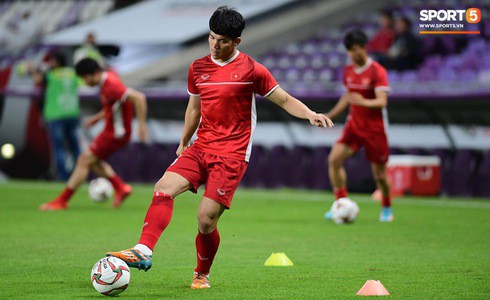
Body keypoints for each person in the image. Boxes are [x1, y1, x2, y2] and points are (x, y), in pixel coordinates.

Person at [106, 6, 333, 290]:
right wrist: (183, 141)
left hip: (232, 154)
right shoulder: (197, 67)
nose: (215, 44)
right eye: (212, 37)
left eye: (222, 40)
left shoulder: (252, 70)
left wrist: (310, 113)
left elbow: (285, 100)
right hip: (201, 146)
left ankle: (201, 274)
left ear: (237, 41)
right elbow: (194, 108)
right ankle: (143, 250)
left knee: (205, 220)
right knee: (163, 187)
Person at [39, 58, 149, 211]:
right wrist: (97, 118)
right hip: (112, 131)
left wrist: (142, 126)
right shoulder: (108, 78)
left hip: (116, 134)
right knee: (91, 161)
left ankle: (62, 201)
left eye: (85, 78)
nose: (84, 82)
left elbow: (139, 98)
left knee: (84, 160)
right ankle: (121, 188)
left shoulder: (111, 85)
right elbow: (114, 104)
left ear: (95, 74)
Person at [323, 29, 393, 222]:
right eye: (349, 51)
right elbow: (348, 96)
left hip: (375, 129)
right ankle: (340, 204)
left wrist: (363, 102)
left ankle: (386, 205)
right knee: (334, 160)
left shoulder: (377, 71)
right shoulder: (348, 71)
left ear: (364, 47)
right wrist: (330, 115)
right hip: (354, 126)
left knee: (379, 176)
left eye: (355, 49)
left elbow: (382, 102)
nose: (353, 54)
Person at [29, 52, 81, 180]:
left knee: (59, 148)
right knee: (75, 147)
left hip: (56, 115)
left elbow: (38, 80)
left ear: (56, 62)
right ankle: (81, 176)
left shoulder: (51, 75)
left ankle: (63, 178)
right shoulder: (72, 73)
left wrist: (32, 69)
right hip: (72, 113)